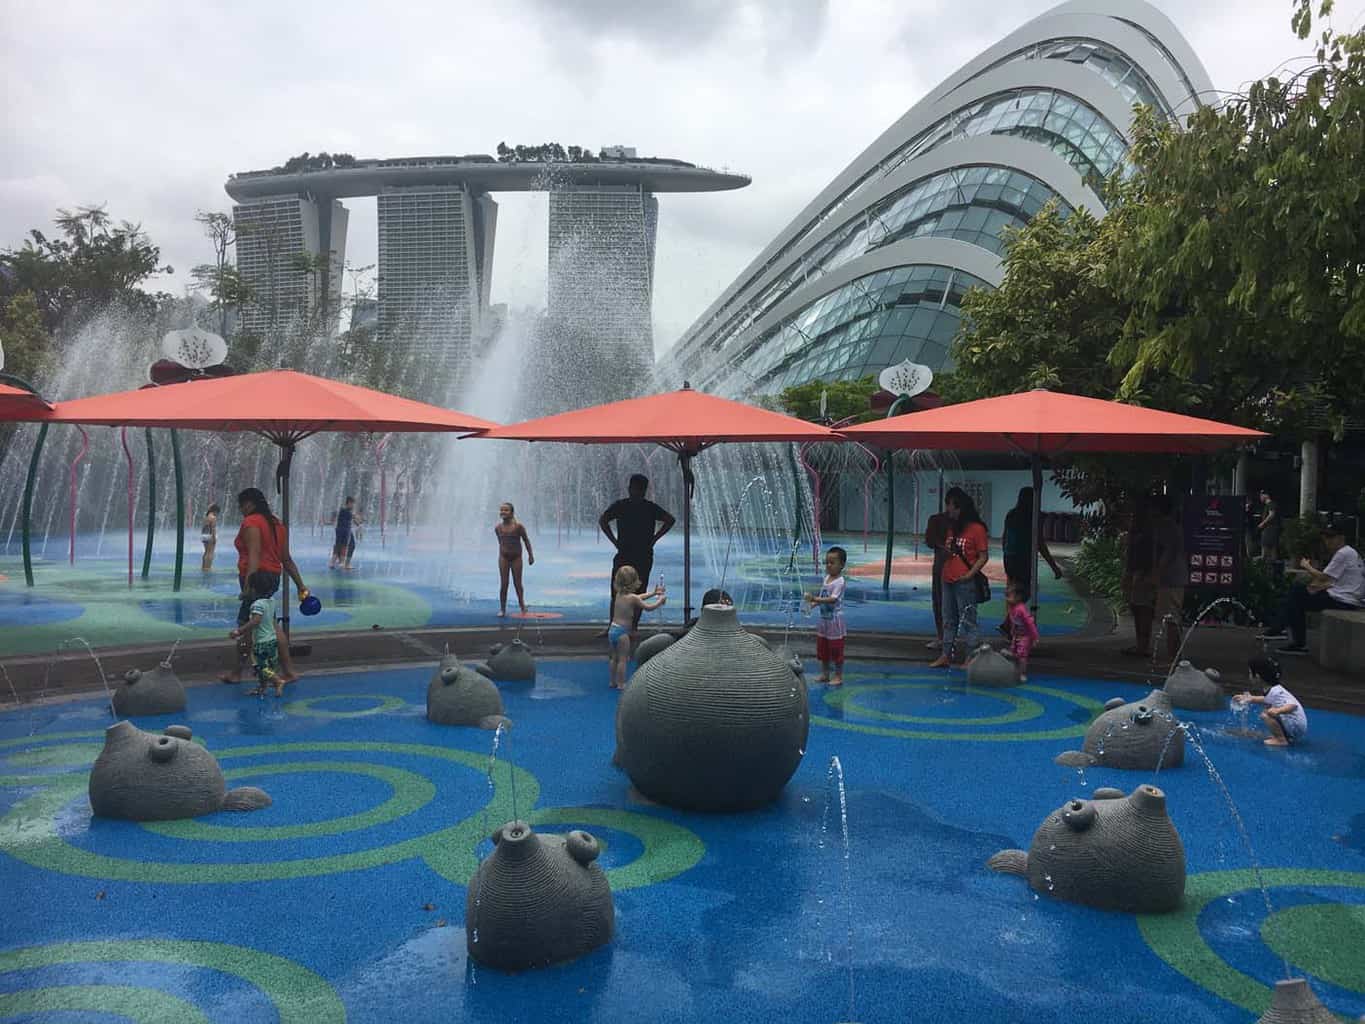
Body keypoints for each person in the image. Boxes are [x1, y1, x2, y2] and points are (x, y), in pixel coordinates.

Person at [222, 487, 308, 685]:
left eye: (242, 505)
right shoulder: (277, 524)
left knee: (245, 626)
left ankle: (236, 673)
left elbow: (254, 554)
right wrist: (301, 585)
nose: (241, 509)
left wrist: (247, 587)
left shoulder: (251, 522)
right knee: (271, 624)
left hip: (256, 579)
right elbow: (286, 559)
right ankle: (289, 671)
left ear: (250, 503)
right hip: (272, 578)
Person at [1260, 524, 1365, 654]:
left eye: (1331, 537)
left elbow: (1323, 577)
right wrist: (1318, 587)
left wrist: (1306, 566)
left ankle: (1284, 632)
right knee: (1296, 597)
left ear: (1341, 538)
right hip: (1346, 598)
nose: (1327, 541)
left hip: (1344, 601)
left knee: (1296, 593)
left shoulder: (1343, 553)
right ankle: (1287, 635)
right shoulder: (1351, 553)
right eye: (1326, 537)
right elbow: (1339, 581)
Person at [599, 474, 675, 633]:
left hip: (632, 553)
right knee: (625, 590)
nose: (635, 491)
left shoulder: (627, 506)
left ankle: (627, 627)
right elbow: (670, 520)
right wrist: (655, 538)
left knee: (625, 590)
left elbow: (603, 520)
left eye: (637, 488)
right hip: (637, 553)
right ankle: (625, 627)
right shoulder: (643, 507)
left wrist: (655, 538)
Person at [931, 487, 989, 668]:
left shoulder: (977, 529)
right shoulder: (952, 528)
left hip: (965, 582)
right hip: (947, 579)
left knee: (968, 621)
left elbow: (983, 556)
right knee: (948, 619)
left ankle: (970, 657)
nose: (948, 509)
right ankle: (946, 655)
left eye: (950, 506)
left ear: (960, 508)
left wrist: (970, 574)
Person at [999, 487, 1063, 636]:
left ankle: (1008, 624)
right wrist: (1053, 566)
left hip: (1010, 557)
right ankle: (1010, 624)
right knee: (1024, 592)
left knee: (1014, 590)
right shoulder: (1033, 517)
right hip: (1022, 558)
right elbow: (1040, 543)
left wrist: (1006, 554)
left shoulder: (1011, 514)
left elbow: (1004, 537)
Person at [607, 565, 666, 689]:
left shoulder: (619, 594)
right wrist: (659, 601)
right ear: (634, 582)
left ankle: (612, 681)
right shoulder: (632, 598)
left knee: (614, 658)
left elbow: (638, 597)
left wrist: (653, 593)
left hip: (612, 629)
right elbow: (648, 608)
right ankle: (621, 683)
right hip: (622, 633)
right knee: (623, 659)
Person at [229, 570, 283, 697]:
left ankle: (278, 681)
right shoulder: (271, 602)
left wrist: (239, 631)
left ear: (253, 589)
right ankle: (262, 687)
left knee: (260, 666)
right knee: (269, 665)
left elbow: (255, 621)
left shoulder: (256, 605)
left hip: (261, 642)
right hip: (272, 639)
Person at [1237, 656, 1307, 747]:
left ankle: (1280, 739)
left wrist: (1278, 711)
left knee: (1266, 714)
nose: (1249, 676)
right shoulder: (1271, 689)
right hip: (1294, 724)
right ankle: (1282, 735)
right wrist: (1250, 698)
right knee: (1269, 709)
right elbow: (1266, 699)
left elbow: (1293, 705)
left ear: (1257, 676)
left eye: (1250, 673)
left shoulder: (1276, 691)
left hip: (1297, 725)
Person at [1150, 493, 1186, 662]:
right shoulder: (1170, 525)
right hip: (1173, 577)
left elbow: (1168, 551)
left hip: (1171, 577)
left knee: (1171, 618)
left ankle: (1175, 657)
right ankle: (1174, 656)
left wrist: (1157, 572)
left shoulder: (1166, 526)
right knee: (1171, 617)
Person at [1120, 495, 1157, 657]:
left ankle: (1143, 645)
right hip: (1135, 573)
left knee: (1143, 609)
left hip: (1141, 574)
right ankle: (1140, 644)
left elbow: (1146, 557)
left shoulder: (1146, 534)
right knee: (1137, 608)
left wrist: (1140, 575)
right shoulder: (1136, 533)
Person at [806, 546, 848, 686]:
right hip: (824, 620)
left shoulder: (840, 582)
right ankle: (825, 673)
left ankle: (838, 675)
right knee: (823, 647)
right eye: (827, 562)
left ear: (841, 565)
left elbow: (833, 599)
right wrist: (814, 604)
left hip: (835, 621)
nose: (828, 565)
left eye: (832, 562)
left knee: (836, 648)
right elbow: (823, 596)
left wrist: (815, 599)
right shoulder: (827, 578)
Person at [494, 502, 535, 616]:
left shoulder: (518, 527)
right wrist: (503, 552)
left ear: (512, 512)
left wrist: (530, 555)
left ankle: (522, 606)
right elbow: (501, 542)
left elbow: (526, 541)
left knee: (518, 583)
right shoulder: (498, 528)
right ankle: (502, 609)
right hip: (504, 558)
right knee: (504, 584)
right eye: (501, 510)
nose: (503, 512)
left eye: (506, 510)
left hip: (516, 558)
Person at [924, 507, 951, 650]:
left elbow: (929, 541)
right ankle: (944, 637)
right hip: (946, 565)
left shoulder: (937, 520)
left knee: (941, 601)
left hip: (944, 565)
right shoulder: (938, 520)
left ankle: (943, 637)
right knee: (943, 601)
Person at [1004, 581, 1040, 682]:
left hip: (1026, 636)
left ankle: (1022, 674)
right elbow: (1013, 622)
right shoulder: (1012, 607)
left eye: (1009, 595)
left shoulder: (1021, 609)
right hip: (1017, 634)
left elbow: (1030, 624)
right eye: (1006, 595)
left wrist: (1035, 637)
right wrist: (1012, 631)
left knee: (1022, 655)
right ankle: (1015, 670)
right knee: (1014, 652)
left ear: (1018, 597)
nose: (1006, 598)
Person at [329, 497, 361, 571]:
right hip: (342, 531)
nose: (353, 506)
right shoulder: (343, 510)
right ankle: (341, 563)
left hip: (346, 530)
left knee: (344, 546)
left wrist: (358, 524)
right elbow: (335, 514)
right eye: (353, 504)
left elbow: (353, 520)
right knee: (341, 546)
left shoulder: (348, 511)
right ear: (349, 503)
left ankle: (339, 562)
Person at [1257, 490, 1281, 561]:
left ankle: (1269, 566)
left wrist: (1262, 523)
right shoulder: (1267, 505)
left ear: (1266, 495)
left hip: (1270, 530)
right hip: (1268, 530)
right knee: (1269, 550)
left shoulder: (1271, 504)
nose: (1260, 498)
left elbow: (1271, 514)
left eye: (1261, 495)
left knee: (1268, 550)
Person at [201, 504, 219, 572]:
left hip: (204, 536)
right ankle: (208, 568)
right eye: (217, 512)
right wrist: (214, 538)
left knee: (206, 552)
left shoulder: (206, 517)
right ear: (215, 511)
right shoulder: (213, 517)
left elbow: (203, 528)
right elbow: (213, 528)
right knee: (210, 553)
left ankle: (203, 567)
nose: (217, 514)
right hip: (210, 536)